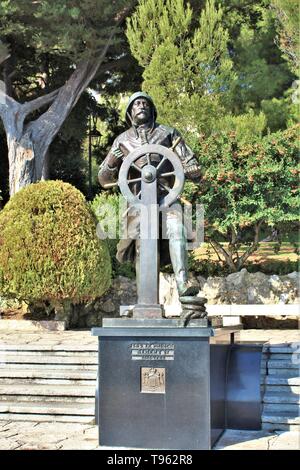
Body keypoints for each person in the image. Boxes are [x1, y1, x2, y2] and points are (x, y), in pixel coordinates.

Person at [98, 91, 200, 297]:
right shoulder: (122, 140)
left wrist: (193, 170)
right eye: (136, 104)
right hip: (138, 205)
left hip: (167, 200)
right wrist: (111, 161)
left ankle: (182, 283)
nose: (141, 106)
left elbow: (191, 165)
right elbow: (104, 180)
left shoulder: (168, 133)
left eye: (145, 103)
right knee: (141, 248)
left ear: (152, 109)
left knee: (177, 230)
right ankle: (144, 300)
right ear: (129, 113)